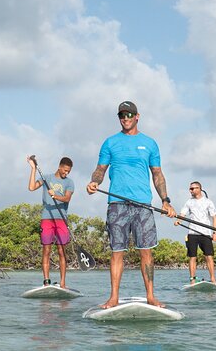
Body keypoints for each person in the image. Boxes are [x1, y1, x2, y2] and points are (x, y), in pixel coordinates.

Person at [86, 100, 176, 308]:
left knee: (146, 251)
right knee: (117, 251)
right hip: (117, 204)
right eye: (121, 115)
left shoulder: (150, 143)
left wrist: (165, 201)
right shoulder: (110, 142)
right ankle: (114, 297)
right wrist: (94, 182)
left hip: (143, 205)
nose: (125, 119)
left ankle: (151, 296)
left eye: (129, 115)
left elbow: (158, 174)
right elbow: (100, 169)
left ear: (137, 116)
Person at [27, 156, 75, 288]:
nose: (66, 173)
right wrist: (33, 169)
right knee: (46, 250)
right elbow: (31, 187)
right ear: (60, 167)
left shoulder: (69, 182)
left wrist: (55, 196)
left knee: (61, 251)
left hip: (61, 219)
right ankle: (46, 282)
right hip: (47, 218)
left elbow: (67, 198)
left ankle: (63, 283)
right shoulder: (46, 178)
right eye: (65, 170)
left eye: (68, 171)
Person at [174, 182, 216, 284]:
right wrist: (179, 220)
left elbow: (214, 217)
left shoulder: (208, 202)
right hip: (192, 233)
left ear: (199, 189)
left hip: (205, 233)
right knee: (192, 257)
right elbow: (182, 214)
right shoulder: (189, 202)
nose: (191, 190)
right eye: (190, 189)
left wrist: (215, 233)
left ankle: (213, 279)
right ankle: (192, 280)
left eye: (193, 188)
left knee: (209, 256)